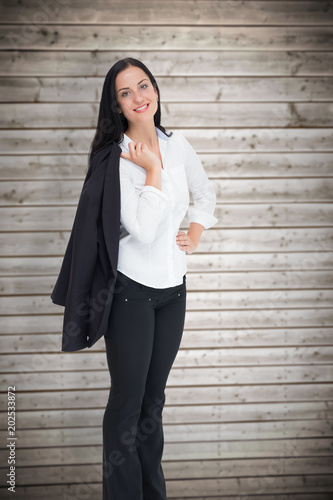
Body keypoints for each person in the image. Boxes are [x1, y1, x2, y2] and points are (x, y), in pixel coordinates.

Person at [88, 58, 218, 499]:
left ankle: (152, 493)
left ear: (156, 91)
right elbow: (141, 230)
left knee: (152, 403)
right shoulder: (116, 160)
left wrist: (194, 234)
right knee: (127, 404)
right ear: (117, 106)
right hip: (131, 295)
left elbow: (205, 193)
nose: (138, 97)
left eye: (143, 86)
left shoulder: (178, 144)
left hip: (172, 293)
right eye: (126, 93)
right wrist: (153, 173)